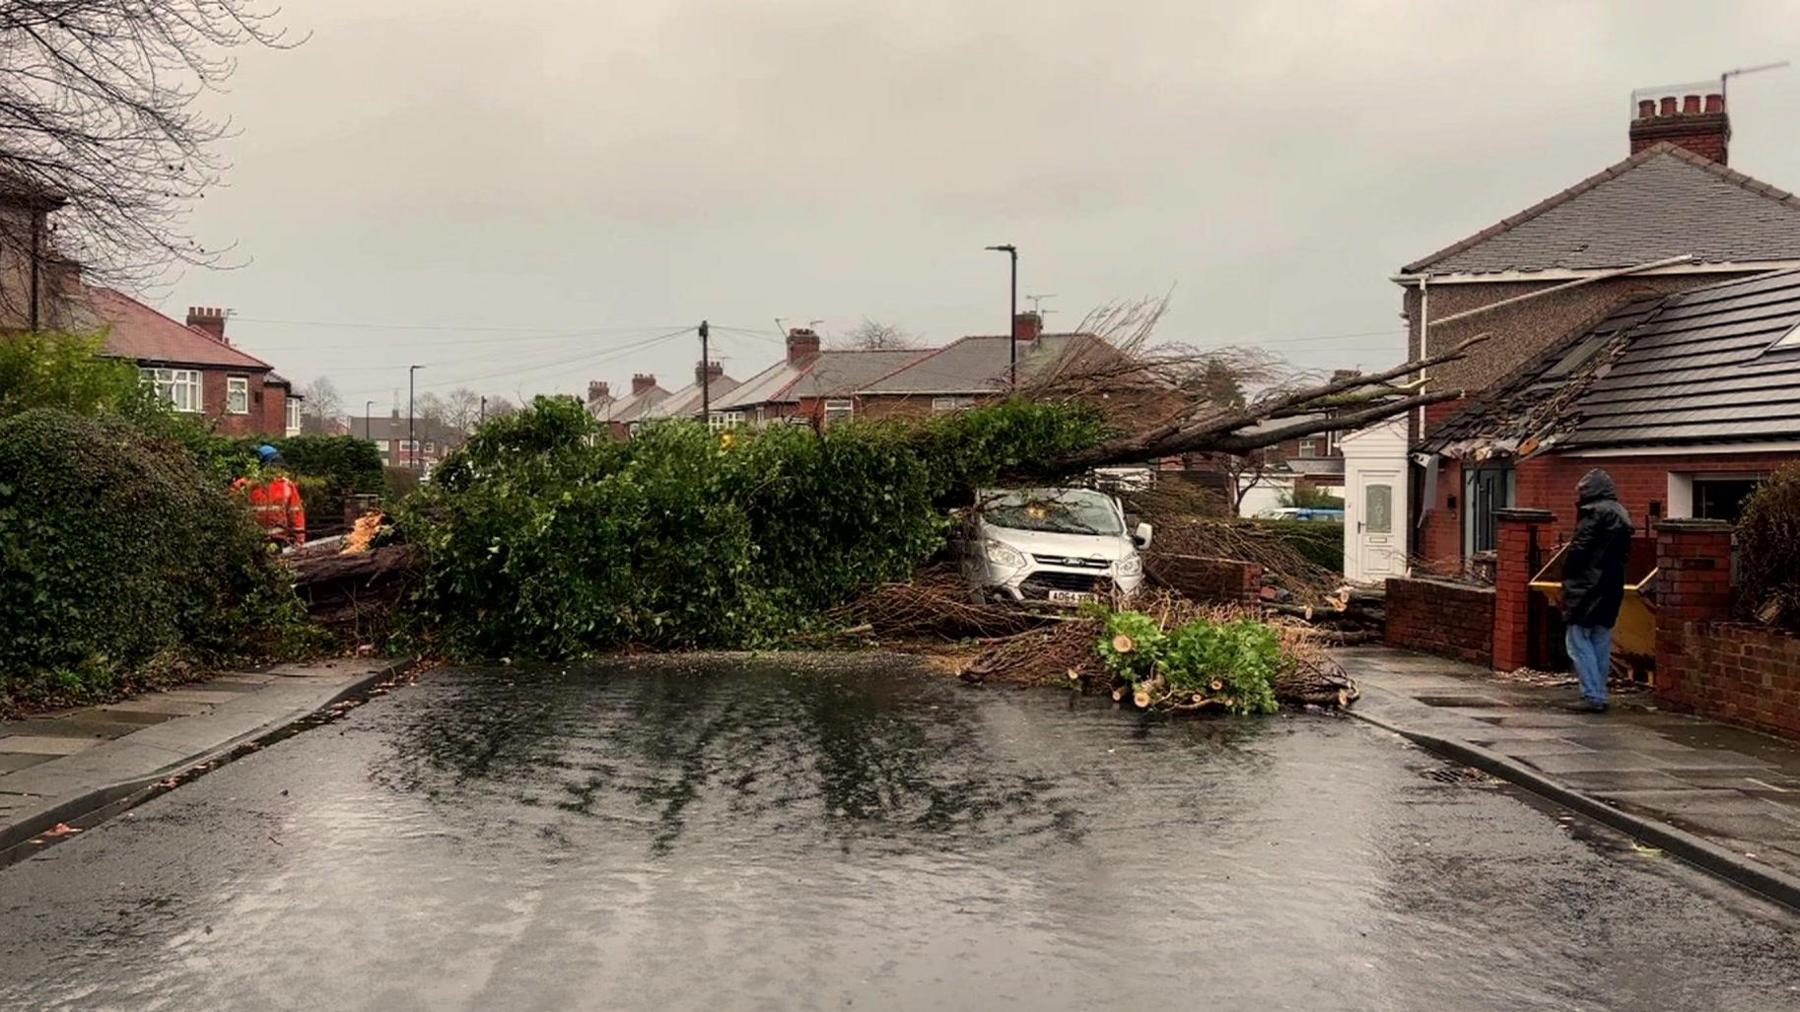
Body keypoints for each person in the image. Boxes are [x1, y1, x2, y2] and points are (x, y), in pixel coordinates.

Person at [1561, 469, 1633, 713]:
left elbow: (1580, 549)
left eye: (1582, 490)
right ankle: (1599, 691)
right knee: (1601, 638)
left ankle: (1592, 694)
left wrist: (1567, 574)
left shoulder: (1594, 513)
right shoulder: (1621, 513)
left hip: (1586, 585)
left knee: (1577, 639)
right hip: (1611, 584)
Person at [233, 444, 307, 546]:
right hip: (253, 541)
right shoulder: (245, 485)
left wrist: (299, 539)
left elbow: (295, 513)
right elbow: (233, 510)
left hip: (278, 541)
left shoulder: (286, 485)